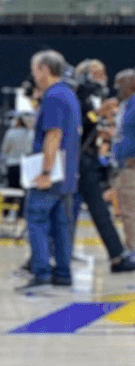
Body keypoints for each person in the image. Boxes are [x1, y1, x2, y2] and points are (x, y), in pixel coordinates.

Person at [17, 50, 81, 292]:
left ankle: (41, 273)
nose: (33, 76)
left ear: (44, 69)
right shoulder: (68, 95)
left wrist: (45, 171)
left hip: (51, 175)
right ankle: (63, 273)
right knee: (61, 226)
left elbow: (54, 135)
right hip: (67, 175)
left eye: (35, 71)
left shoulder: (53, 97)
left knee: (37, 220)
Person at [72, 61, 135, 272]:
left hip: (90, 161)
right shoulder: (80, 96)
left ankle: (118, 255)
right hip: (80, 160)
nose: (104, 78)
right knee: (81, 210)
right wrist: (98, 114)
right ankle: (117, 255)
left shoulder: (100, 99)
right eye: (99, 74)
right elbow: (81, 122)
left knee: (98, 211)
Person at [109, 69, 135, 255]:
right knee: (127, 212)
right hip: (123, 165)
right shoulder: (127, 104)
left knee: (131, 213)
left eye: (120, 83)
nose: (117, 87)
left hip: (131, 167)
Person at [0, 115, 32, 190]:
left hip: (12, 164)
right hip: (25, 165)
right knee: (24, 190)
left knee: (12, 190)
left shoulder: (10, 133)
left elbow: (4, 149)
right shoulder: (30, 133)